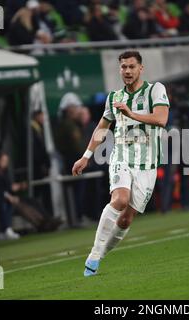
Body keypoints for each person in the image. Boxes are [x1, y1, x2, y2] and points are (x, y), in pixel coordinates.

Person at [72, 51, 170, 277]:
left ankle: (99, 255)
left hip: (148, 164)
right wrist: (86, 156)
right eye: (123, 67)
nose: (127, 71)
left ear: (140, 69)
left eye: (131, 67)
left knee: (126, 219)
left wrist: (131, 113)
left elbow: (161, 119)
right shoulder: (114, 97)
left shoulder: (156, 90)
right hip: (122, 156)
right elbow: (102, 128)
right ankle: (94, 254)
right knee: (120, 199)